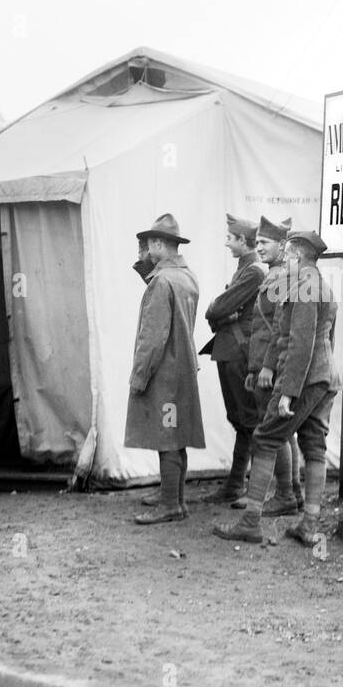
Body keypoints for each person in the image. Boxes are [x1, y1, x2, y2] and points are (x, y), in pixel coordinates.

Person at [215, 230, 338, 546]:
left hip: (305, 379)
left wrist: (287, 392)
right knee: (314, 447)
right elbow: (291, 333)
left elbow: (300, 344)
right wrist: (267, 367)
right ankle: (309, 525)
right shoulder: (316, 285)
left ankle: (251, 521)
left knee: (266, 438)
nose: (285, 258)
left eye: (288, 254)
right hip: (323, 378)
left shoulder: (305, 287)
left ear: (297, 255)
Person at [127, 214, 205, 525]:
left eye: (147, 245)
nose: (144, 251)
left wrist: (139, 375)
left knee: (166, 438)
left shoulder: (162, 283)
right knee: (176, 435)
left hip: (164, 373)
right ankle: (175, 500)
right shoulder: (186, 277)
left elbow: (153, 337)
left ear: (159, 243)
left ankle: (171, 505)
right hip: (182, 369)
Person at [195, 214, 267, 503]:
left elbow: (216, 308)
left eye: (230, 238)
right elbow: (220, 314)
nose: (226, 242)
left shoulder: (253, 272)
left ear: (242, 240)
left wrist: (219, 310)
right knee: (240, 419)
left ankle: (250, 490)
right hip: (229, 350)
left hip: (239, 352)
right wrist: (222, 313)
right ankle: (236, 486)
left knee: (249, 420)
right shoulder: (245, 269)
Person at [239, 215, 304, 516]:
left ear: (282, 245)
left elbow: (277, 328)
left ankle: (286, 495)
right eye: (258, 242)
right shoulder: (275, 275)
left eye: (265, 243)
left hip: (272, 366)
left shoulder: (281, 278)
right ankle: (293, 491)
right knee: (283, 432)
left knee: (274, 433)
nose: (259, 247)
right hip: (267, 365)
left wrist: (264, 368)